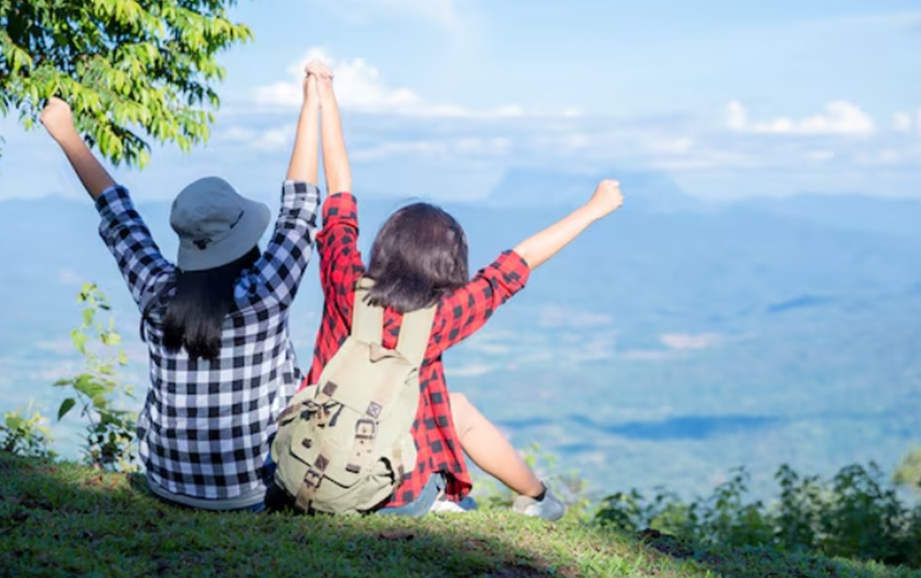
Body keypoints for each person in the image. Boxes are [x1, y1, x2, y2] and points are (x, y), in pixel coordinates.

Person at [300, 59, 623, 520]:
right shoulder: (443, 314)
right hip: (395, 498)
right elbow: (516, 263)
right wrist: (593, 210)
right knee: (458, 411)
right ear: (447, 264)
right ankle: (537, 500)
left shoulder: (343, 284)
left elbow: (339, 192)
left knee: (448, 405)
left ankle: (534, 499)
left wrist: (324, 97)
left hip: (309, 473)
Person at [40, 77, 322, 511]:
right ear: (244, 238)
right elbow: (299, 211)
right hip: (252, 490)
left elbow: (118, 215)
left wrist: (66, 134)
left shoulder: (156, 294)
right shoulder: (266, 294)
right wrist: (312, 104)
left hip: (167, 483)